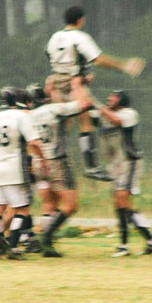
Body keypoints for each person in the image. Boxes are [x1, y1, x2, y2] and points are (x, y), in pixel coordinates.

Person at [45, 5, 145, 179]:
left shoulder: (55, 37)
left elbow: (50, 55)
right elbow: (98, 59)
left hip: (57, 81)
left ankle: (50, 160)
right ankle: (91, 166)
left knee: (62, 125)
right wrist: (124, 65)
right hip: (74, 83)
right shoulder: (80, 37)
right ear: (80, 20)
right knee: (85, 122)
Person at [0, 86, 43, 260]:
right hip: (16, 167)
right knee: (22, 209)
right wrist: (42, 159)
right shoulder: (21, 115)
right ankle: (13, 247)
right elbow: (34, 142)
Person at [32, 78, 92, 257]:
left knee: (50, 204)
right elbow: (85, 104)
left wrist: (51, 88)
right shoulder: (55, 109)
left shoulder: (31, 114)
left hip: (38, 161)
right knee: (70, 205)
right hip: (56, 160)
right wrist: (77, 85)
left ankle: (40, 241)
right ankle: (46, 238)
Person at [96, 90, 152, 257]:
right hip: (116, 164)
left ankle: (124, 245)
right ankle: (151, 240)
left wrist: (98, 106)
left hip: (130, 162)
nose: (110, 98)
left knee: (122, 198)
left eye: (114, 96)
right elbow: (87, 115)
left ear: (122, 100)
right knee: (122, 204)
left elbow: (116, 119)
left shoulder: (129, 113)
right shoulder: (104, 114)